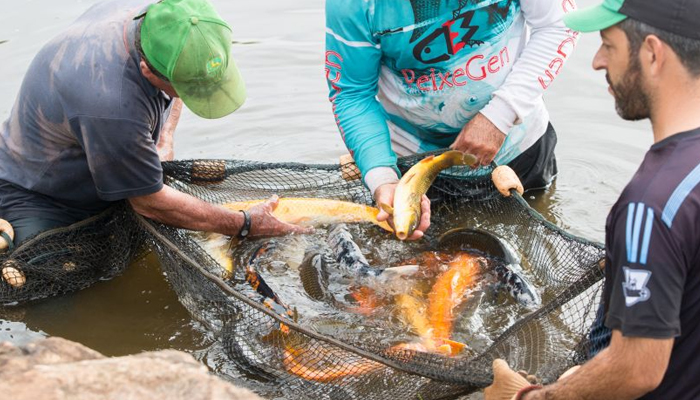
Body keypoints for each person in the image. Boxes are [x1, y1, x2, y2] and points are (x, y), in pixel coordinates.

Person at [484, 0, 700, 399]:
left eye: (608, 45)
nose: (598, 62)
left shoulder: (648, 206)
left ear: (652, 53)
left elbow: (636, 369)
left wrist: (530, 397)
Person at [0, 0, 311, 245]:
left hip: (102, 150)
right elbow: (148, 203)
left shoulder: (166, 17)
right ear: (149, 72)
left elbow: (180, 77)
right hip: (37, 192)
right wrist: (245, 224)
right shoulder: (111, 104)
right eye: (188, 90)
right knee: (57, 294)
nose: (190, 98)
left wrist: (165, 137)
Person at [325, 0, 579, 239]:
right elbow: (352, 92)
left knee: (533, 240)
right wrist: (382, 178)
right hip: (413, 167)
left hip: (519, 147)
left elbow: (560, 25)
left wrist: (500, 116)